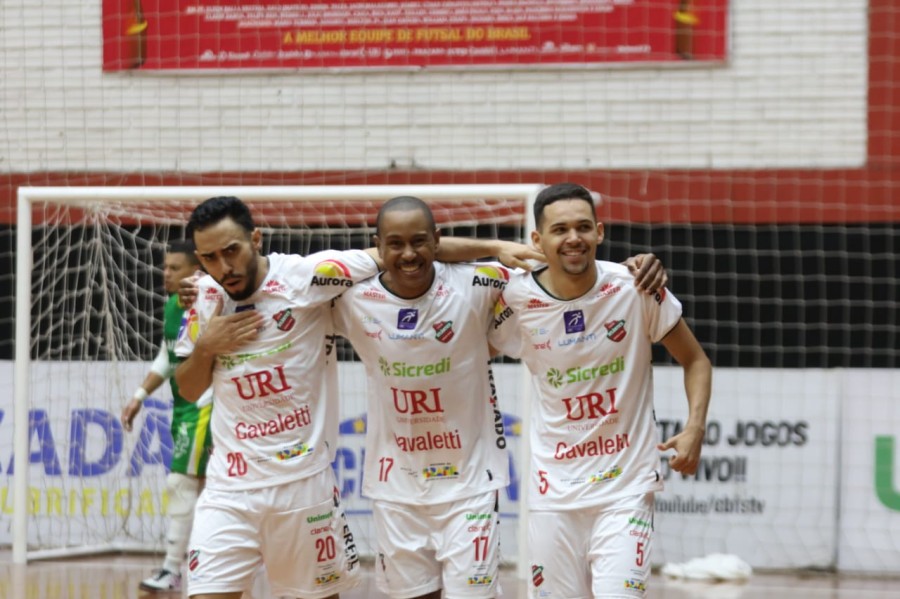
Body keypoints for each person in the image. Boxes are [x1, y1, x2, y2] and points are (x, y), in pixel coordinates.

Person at [171, 196, 544, 599]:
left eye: (231, 251)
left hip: (304, 485)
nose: (223, 266)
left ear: (255, 239)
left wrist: (495, 247)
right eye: (209, 257)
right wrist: (206, 347)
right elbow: (187, 390)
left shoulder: (310, 278)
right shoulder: (203, 297)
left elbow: (400, 251)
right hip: (229, 487)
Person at [330, 196, 669, 599]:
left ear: (436, 239)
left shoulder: (483, 282)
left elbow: (564, 272)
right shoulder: (352, 296)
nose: (408, 254)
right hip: (395, 485)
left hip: (471, 483)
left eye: (420, 241)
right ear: (378, 246)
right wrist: (493, 244)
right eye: (394, 244)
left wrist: (635, 267)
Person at [488, 183, 712, 598]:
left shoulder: (635, 286)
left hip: (625, 487)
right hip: (552, 491)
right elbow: (467, 353)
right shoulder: (516, 297)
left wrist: (695, 427)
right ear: (537, 239)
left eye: (583, 227)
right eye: (560, 230)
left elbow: (696, 360)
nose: (573, 238)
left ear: (600, 231)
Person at [120, 240, 213, 594]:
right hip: (184, 405)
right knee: (205, 487)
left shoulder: (210, 301)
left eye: (175, 268)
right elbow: (168, 354)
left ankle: (172, 569)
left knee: (181, 483)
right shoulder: (173, 306)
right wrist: (139, 396)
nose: (166, 273)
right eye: (165, 267)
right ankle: (210, 566)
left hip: (205, 406)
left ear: (196, 271)